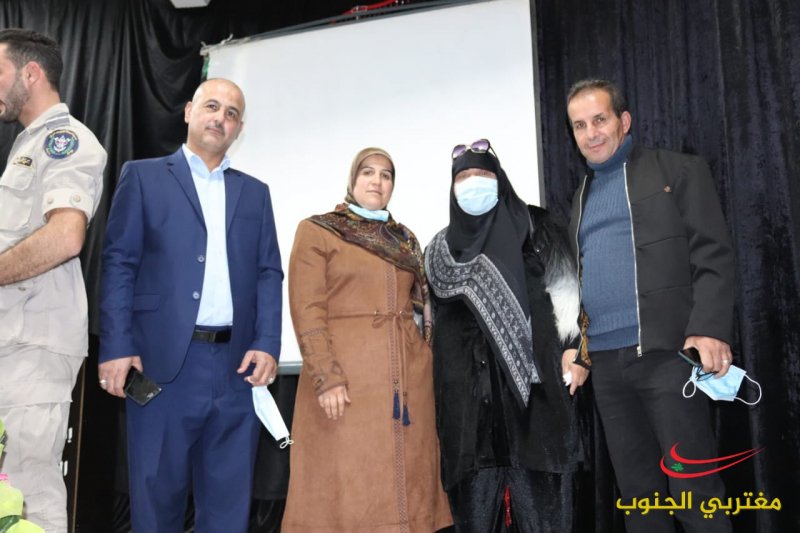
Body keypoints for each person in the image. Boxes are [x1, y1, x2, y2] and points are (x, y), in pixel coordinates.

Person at [98, 78, 283, 532]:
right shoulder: (143, 177)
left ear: (239, 129)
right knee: (156, 500)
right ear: (188, 112)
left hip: (236, 369)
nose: (221, 118)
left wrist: (267, 342)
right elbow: (119, 264)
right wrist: (116, 346)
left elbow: (268, 272)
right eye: (212, 106)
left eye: (232, 113)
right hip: (160, 365)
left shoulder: (255, 193)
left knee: (228, 507)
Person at [565, 78, 735, 532]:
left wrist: (710, 328)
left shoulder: (677, 170)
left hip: (668, 358)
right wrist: (579, 350)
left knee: (695, 491)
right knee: (639, 498)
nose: (591, 133)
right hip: (607, 368)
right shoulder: (580, 198)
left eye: (599, 120)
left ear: (624, 121)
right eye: (579, 125)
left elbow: (713, 254)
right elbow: (580, 284)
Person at [281, 147, 452, 532]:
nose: (377, 181)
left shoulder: (404, 239)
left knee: (409, 487)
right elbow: (306, 308)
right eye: (368, 172)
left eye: (386, 175)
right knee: (348, 489)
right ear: (352, 180)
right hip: (347, 382)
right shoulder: (318, 231)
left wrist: (425, 363)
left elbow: (423, 310)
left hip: (408, 385)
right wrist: (326, 377)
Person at [425, 139, 585, 532]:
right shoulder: (437, 251)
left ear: (499, 179)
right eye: (463, 177)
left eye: (482, 174)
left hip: (536, 408)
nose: (473, 184)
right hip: (468, 417)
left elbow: (569, 298)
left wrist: (575, 351)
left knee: (546, 518)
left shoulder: (537, 227)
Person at [0, 28, 106, 533]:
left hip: (35, 345)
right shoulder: (26, 145)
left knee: (28, 491)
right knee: (7, 493)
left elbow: (66, 236)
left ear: (31, 72)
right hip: (13, 341)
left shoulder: (65, 141)